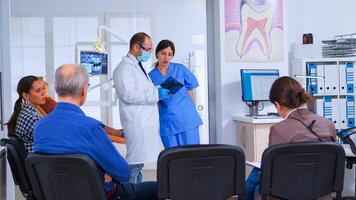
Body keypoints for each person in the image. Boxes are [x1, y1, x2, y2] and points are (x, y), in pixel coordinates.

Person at [33, 64, 158, 200]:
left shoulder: (40, 127)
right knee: (159, 188)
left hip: (59, 194)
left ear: (57, 88)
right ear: (84, 89)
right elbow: (124, 173)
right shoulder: (90, 127)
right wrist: (107, 170)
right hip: (102, 195)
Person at [244, 76, 336, 200]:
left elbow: (274, 171)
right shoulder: (328, 124)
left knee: (254, 178)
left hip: (287, 193)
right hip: (321, 192)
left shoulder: (279, 129)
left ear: (277, 105)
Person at [113, 32, 168, 183]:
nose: (150, 53)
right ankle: (129, 193)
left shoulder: (137, 67)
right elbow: (128, 94)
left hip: (144, 123)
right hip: (136, 123)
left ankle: (137, 192)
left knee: (138, 165)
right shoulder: (124, 68)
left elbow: (142, 89)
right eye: (147, 49)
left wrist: (156, 90)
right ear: (136, 47)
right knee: (134, 165)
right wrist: (156, 94)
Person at [148, 40, 202, 148]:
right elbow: (150, 98)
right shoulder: (150, 76)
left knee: (192, 155)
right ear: (157, 54)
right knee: (173, 158)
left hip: (187, 120)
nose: (166, 57)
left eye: (170, 54)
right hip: (168, 123)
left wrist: (191, 109)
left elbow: (191, 89)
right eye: (163, 53)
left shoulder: (180, 69)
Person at [6, 75, 46, 153]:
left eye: (43, 89)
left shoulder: (26, 113)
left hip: (38, 161)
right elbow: (52, 139)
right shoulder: (30, 118)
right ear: (26, 96)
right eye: (38, 91)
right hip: (39, 162)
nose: (43, 93)